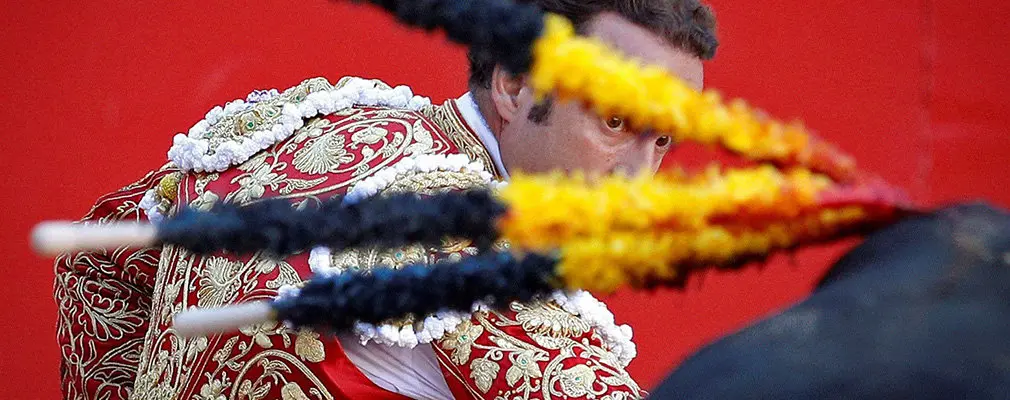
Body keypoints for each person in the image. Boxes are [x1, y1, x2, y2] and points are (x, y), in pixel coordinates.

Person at [53, 1, 718, 399]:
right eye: (614, 123)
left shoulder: (318, 122)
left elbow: (94, 257)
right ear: (515, 86)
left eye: (662, 140)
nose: (641, 178)